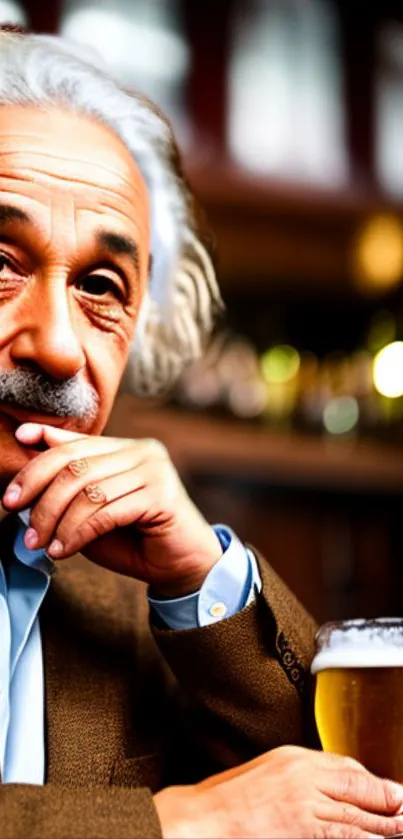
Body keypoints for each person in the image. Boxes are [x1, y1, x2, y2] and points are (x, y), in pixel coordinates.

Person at [0, 27, 402, 839]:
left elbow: (334, 790)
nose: (59, 344)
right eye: (1, 262)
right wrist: (181, 821)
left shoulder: (121, 592)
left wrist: (197, 574)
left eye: (101, 287)